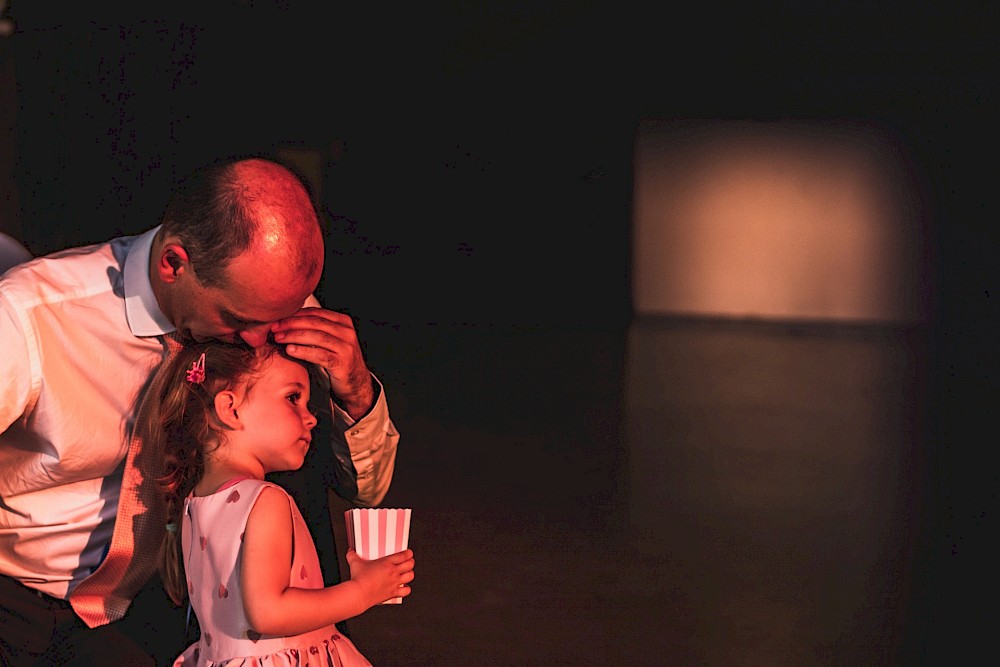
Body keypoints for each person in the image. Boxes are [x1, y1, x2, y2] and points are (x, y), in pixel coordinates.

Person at [0, 157, 399, 665]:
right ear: (174, 263)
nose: (260, 340)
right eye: (239, 320)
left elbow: (367, 490)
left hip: (176, 597)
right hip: (22, 594)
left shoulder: (268, 303)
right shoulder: (31, 317)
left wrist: (356, 393)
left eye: (276, 318)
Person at [152, 341, 414, 666]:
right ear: (230, 409)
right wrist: (364, 591)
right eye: (293, 398)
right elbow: (267, 613)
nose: (312, 419)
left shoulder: (194, 501)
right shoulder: (265, 499)